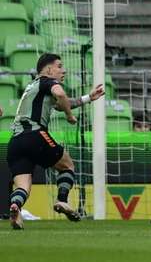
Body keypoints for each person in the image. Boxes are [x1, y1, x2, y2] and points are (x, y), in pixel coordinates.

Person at [7, 54, 104, 230]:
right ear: (49, 69)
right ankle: (62, 200)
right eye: (59, 66)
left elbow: (61, 103)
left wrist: (88, 98)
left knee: (23, 186)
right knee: (67, 166)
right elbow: (60, 94)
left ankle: (16, 207)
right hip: (35, 134)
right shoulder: (47, 81)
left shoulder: (33, 87)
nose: (63, 70)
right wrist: (69, 116)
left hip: (15, 142)